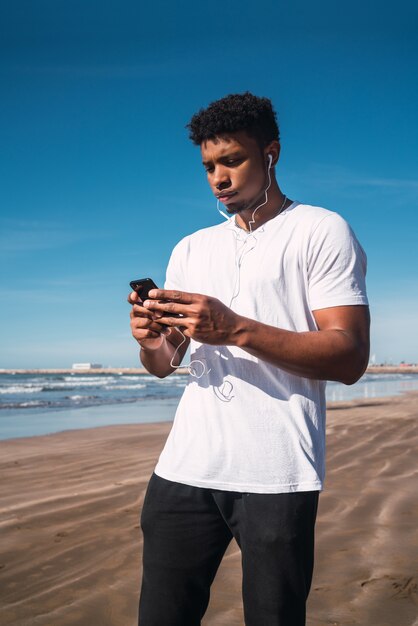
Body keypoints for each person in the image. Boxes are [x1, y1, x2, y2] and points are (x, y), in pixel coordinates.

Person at [128, 92, 370, 626]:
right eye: (209, 166)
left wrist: (234, 328)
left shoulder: (321, 230)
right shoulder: (190, 248)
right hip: (183, 468)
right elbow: (169, 363)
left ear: (271, 153)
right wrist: (151, 342)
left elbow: (350, 355)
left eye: (232, 160)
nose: (218, 177)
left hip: (278, 472)